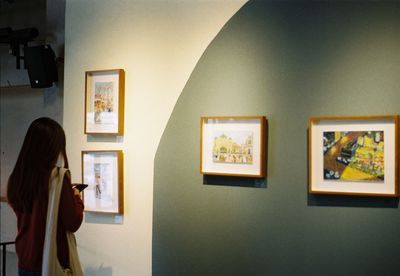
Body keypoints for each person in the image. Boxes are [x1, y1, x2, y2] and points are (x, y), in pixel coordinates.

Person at [7, 117, 84, 276]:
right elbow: (73, 221)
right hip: (50, 262)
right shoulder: (56, 178)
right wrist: (76, 196)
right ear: (51, 147)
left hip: (24, 259)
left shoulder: (18, 177)